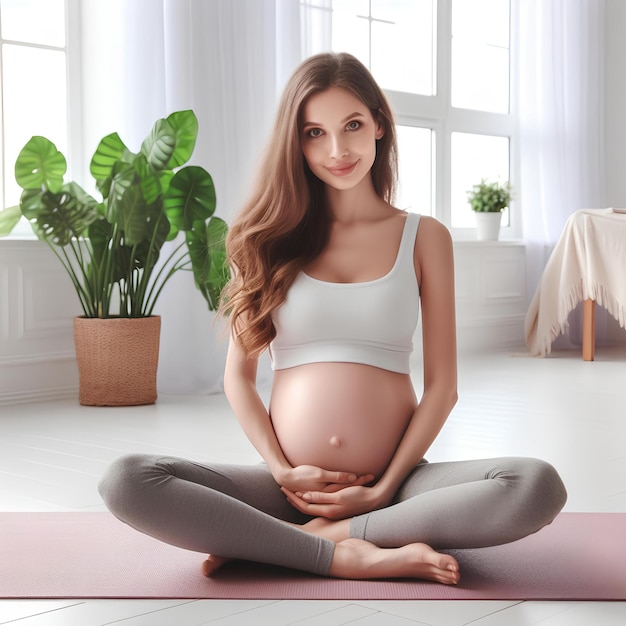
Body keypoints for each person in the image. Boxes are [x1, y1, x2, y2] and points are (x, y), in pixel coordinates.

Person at [99, 52, 567, 584]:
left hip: (396, 487)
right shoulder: (264, 240)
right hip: (285, 488)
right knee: (127, 480)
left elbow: (443, 388)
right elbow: (238, 378)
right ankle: (356, 553)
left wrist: (384, 488)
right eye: (314, 133)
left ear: (379, 126)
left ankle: (305, 545)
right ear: (295, 144)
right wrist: (280, 470)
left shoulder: (424, 236)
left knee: (535, 485)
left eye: (352, 126)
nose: (338, 150)